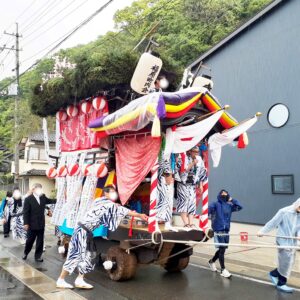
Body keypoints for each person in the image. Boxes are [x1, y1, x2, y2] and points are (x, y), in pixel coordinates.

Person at [56, 185, 148, 289]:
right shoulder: (109, 205)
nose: (114, 194)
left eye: (114, 191)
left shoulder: (99, 201)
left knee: (87, 256)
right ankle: (61, 280)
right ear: (106, 193)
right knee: (74, 256)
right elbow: (124, 211)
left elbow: (116, 209)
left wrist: (116, 206)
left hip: (85, 231)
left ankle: (80, 279)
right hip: (82, 231)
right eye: (112, 191)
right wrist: (140, 215)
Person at [257, 198, 300, 293]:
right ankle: (281, 283)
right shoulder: (284, 211)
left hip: (292, 241)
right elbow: (273, 222)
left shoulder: (299, 214)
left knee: (289, 262)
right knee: (285, 262)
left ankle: (274, 273)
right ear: (297, 204)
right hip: (283, 240)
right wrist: (262, 231)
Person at [208, 189, 242, 278]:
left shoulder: (229, 205)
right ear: (219, 195)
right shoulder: (215, 204)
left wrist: (232, 199)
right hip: (218, 229)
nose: (223, 194)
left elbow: (239, 207)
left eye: (225, 193)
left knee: (221, 249)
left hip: (226, 230)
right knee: (222, 249)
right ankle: (223, 270)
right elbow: (208, 210)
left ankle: (211, 261)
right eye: (222, 193)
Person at [22, 183, 56, 262]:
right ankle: (26, 252)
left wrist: (61, 199)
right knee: (30, 241)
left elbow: (51, 201)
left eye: (41, 188)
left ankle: (38, 256)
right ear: (33, 189)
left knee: (40, 241)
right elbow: (25, 212)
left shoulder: (43, 197)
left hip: (41, 223)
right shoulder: (28, 199)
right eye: (38, 189)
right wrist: (26, 223)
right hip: (31, 224)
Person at [176, 147, 206, 228]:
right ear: (190, 151)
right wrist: (192, 163)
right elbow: (182, 170)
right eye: (194, 152)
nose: (196, 153)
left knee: (192, 203)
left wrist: (200, 185)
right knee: (184, 201)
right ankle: (186, 223)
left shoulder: (199, 159)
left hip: (192, 184)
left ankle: (191, 223)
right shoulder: (183, 157)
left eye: (197, 152)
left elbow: (202, 172)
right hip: (183, 183)